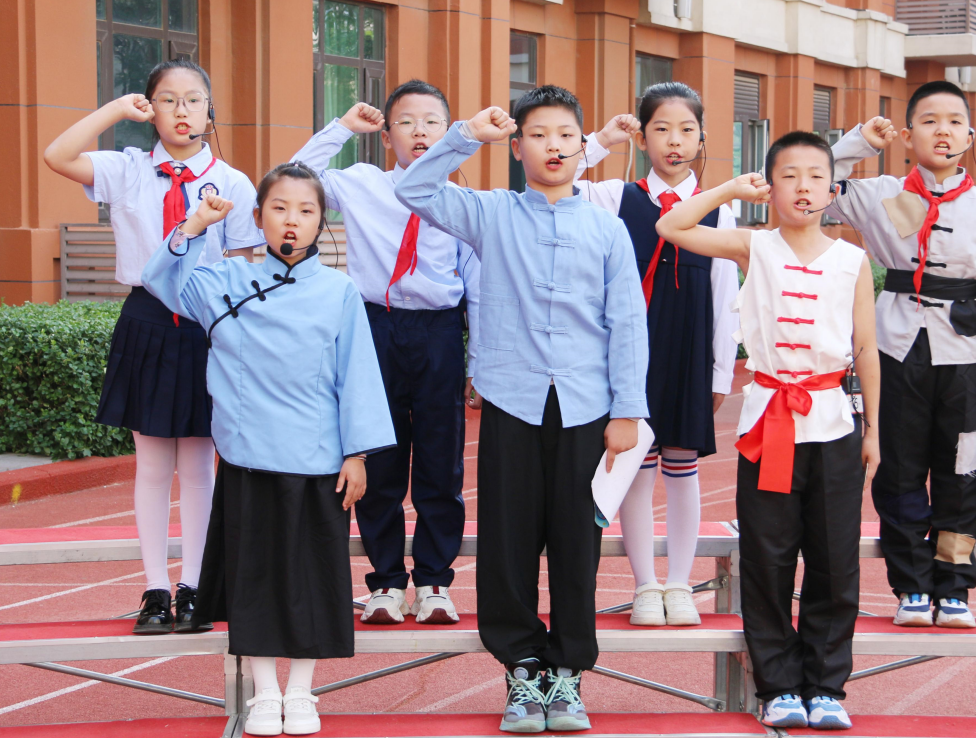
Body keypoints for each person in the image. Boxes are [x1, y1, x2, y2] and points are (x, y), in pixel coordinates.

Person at [395, 86, 648, 733]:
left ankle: (567, 674)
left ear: (582, 145)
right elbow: (414, 189)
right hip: (512, 401)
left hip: (588, 408)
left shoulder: (606, 228)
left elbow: (627, 321)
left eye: (565, 134)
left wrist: (628, 409)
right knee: (507, 546)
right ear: (517, 148)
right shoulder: (491, 212)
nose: (553, 146)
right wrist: (463, 135)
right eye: (538, 135)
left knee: (575, 546)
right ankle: (521, 669)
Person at [141, 162, 394, 736]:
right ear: (258, 218)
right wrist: (196, 224)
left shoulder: (339, 291)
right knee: (254, 580)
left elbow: (357, 374)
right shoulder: (222, 281)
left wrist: (357, 454)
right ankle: (264, 693)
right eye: (279, 208)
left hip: (318, 460)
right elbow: (160, 278)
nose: (291, 221)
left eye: (306, 211)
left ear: (321, 222)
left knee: (311, 580)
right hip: (248, 457)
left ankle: (301, 691)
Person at [656, 132, 881, 730]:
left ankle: (826, 686)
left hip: (832, 424)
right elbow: (671, 226)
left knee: (834, 560)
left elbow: (866, 349)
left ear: (832, 190)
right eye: (789, 175)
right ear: (771, 187)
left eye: (815, 176)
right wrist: (728, 189)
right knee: (767, 557)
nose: (803, 187)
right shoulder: (753, 246)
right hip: (767, 424)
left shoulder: (852, 261)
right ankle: (778, 685)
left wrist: (874, 430)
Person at [43, 58, 260, 634]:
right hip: (145, 317)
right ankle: (155, 590)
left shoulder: (233, 182)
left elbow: (243, 266)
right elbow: (56, 155)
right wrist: (116, 109)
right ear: (150, 110)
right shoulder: (127, 169)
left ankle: (194, 587)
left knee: (200, 464)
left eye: (193, 99)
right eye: (167, 99)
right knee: (153, 464)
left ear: (210, 111)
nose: (182, 110)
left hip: (206, 321)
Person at [827, 82, 976, 629]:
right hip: (894, 348)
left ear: (969, 135)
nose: (944, 131)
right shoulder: (879, 193)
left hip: (965, 355)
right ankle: (911, 585)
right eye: (930, 120)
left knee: (961, 469)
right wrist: (858, 142)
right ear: (908, 134)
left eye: (955, 121)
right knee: (897, 468)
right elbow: (815, 182)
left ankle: (954, 587)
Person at [290, 80, 479, 626]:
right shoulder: (362, 183)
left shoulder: (464, 203)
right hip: (375, 328)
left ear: (450, 133)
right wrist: (342, 128)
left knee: (441, 463)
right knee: (379, 459)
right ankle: (387, 583)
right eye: (406, 122)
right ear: (387, 135)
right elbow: (295, 178)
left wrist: (479, 361)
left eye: (432, 122)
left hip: (440, 331)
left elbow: (478, 287)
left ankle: (435, 582)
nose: (420, 132)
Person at [574, 82, 739, 626]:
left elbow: (725, 296)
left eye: (686, 130)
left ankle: (680, 584)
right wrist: (601, 140)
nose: (674, 141)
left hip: (689, 352)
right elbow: (560, 175)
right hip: (630, 356)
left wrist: (720, 372)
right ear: (642, 138)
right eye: (661, 129)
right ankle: (646, 585)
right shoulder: (614, 199)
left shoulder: (718, 212)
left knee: (683, 467)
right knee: (637, 470)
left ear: (701, 138)